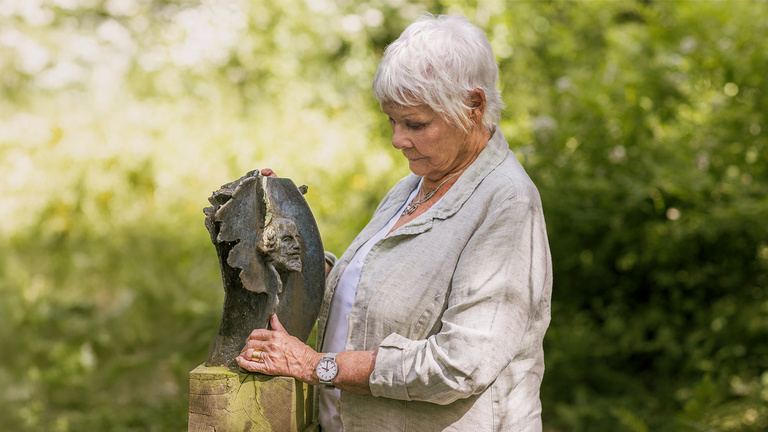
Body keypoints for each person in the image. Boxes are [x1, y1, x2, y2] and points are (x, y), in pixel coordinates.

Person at [237, 13, 552, 431]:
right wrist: (292, 236)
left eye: (416, 124)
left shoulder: (508, 204)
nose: (397, 139)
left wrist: (318, 366)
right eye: (393, 120)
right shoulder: (416, 184)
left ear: (473, 107)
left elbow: (459, 366)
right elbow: (366, 292)